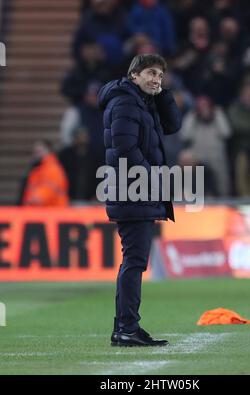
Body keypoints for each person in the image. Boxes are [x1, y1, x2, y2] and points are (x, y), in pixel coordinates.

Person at [98, 53, 182, 346]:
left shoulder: (142, 102)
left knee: (133, 261)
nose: (156, 79)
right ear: (134, 75)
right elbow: (124, 150)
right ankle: (126, 328)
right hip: (132, 191)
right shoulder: (124, 103)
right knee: (134, 262)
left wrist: (163, 96)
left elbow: (173, 126)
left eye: (160, 75)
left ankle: (126, 327)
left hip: (137, 192)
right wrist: (153, 179)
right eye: (150, 73)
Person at [21, 140, 69, 206]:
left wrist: (32, 201)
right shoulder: (38, 169)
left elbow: (45, 192)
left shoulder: (51, 169)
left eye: (39, 151)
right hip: (43, 212)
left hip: (50, 212)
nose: (36, 154)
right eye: (35, 152)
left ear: (49, 151)